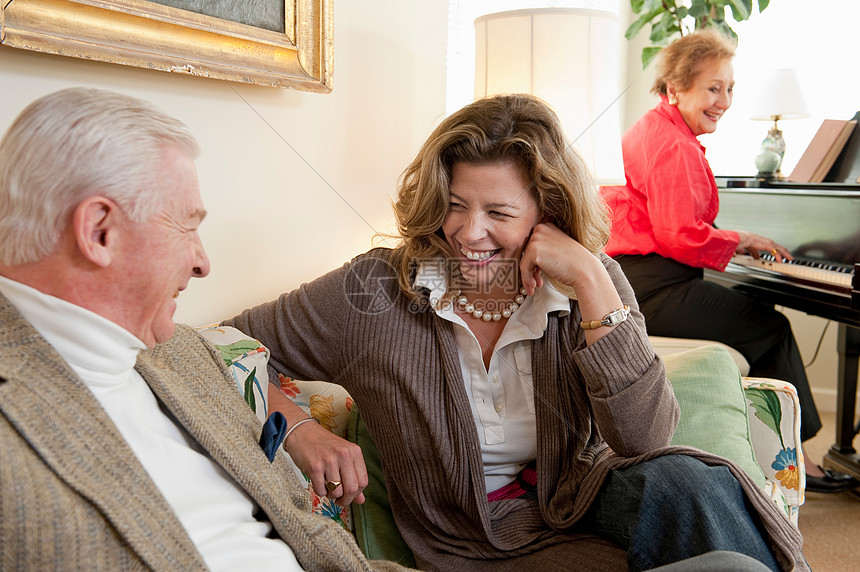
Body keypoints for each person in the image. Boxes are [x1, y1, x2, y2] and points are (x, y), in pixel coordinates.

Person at [225, 93, 807, 571]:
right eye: (456, 205)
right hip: (467, 546)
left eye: (498, 214)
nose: (468, 233)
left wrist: (588, 279)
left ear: (547, 213)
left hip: (586, 505)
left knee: (693, 485)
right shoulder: (379, 288)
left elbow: (647, 439)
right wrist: (295, 423)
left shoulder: (590, 280)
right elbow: (226, 344)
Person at [0, 87, 406, 571]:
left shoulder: (188, 355)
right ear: (99, 232)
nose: (202, 263)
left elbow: (309, 533)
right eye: (185, 228)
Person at [600, 29, 857, 495]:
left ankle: (763, 448)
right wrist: (739, 240)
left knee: (749, 313)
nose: (724, 100)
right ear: (676, 88)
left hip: (639, 280)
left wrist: (733, 244)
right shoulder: (675, 146)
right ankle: (792, 457)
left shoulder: (657, 127)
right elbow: (680, 236)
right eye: (713, 88)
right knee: (770, 326)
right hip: (655, 286)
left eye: (730, 88)